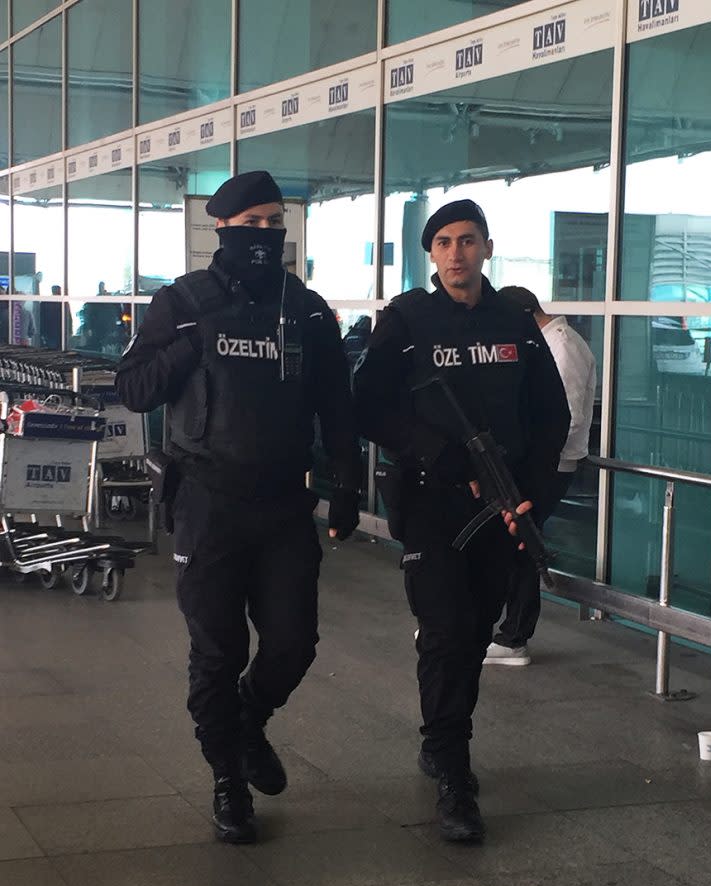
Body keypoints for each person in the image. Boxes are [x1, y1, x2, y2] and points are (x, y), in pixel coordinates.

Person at [116, 170, 361, 844]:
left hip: (284, 504)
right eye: (250, 224)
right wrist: (194, 341)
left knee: (293, 643)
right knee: (217, 653)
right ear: (220, 229)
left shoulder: (307, 310)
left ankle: (248, 720)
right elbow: (132, 386)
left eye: (273, 222)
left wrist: (349, 486)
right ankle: (227, 776)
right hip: (208, 501)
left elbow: (337, 407)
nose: (264, 235)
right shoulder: (182, 302)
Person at [354, 200, 569, 842]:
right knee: (446, 630)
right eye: (444, 242)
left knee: (473, 633)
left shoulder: (515, 322)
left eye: (467, 241)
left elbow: (551, 416)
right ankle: (454, 770)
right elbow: (368, 408)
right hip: (429, 501)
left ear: (487, 247)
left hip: (500, 507)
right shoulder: (407, 322)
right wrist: (439, 453)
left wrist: (528, 494)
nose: (456, 254)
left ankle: (439, 737)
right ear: (432, 254)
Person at [483, 286, 597, 667]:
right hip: (532, 462)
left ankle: (514, 637)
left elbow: (568, 417)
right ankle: (492, 628)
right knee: (511, 542)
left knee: (522, 545)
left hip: (551, 464)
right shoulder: (543, 341)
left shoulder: (562, 346)